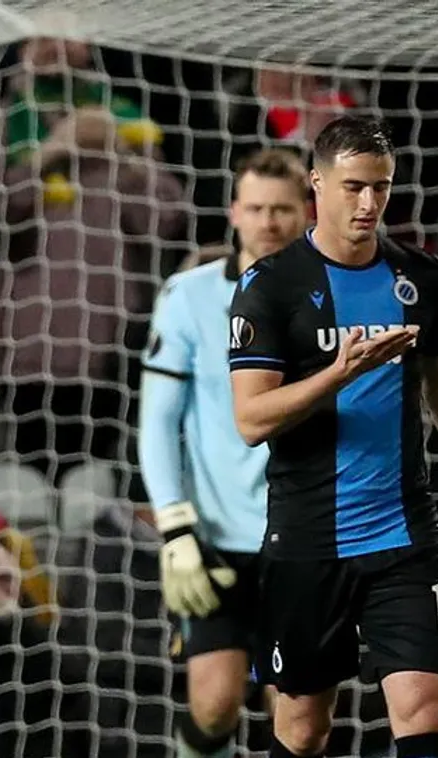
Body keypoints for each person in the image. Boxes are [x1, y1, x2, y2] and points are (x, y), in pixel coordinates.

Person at [227, 116, 438, 758]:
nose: (370, 203)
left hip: (405, 534)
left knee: (423, 707)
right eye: (354, 187)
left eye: (382, 187)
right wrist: (338, 373)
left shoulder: (419, 277)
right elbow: (251, 419)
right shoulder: (271, 286)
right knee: (303, 729)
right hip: (307, 537)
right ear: (317, 184)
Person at [140, 148, 309, 757]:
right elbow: (157, 421)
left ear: (307, 213)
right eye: (256, 209)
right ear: (234, 212)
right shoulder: (187, 297)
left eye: (282, 210)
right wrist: (174, 528)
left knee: (297, 719)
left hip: (303, 535)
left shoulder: (331, 298)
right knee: (213, 704)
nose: (269, 222)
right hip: (213, 538)